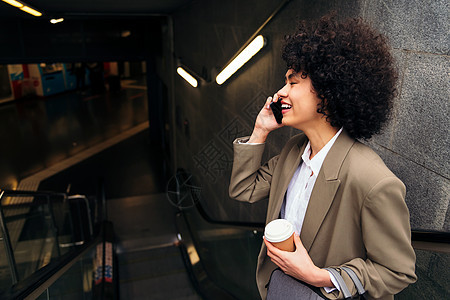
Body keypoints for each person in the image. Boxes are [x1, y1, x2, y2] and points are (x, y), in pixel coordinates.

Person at [229, 13, 417, 300]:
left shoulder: (371, 180)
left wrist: (320, 276)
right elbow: (244, 189)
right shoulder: (294, 151)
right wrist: (260, 130)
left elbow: (398, 271)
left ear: (328, 92)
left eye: (292, 83)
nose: (280, 93)